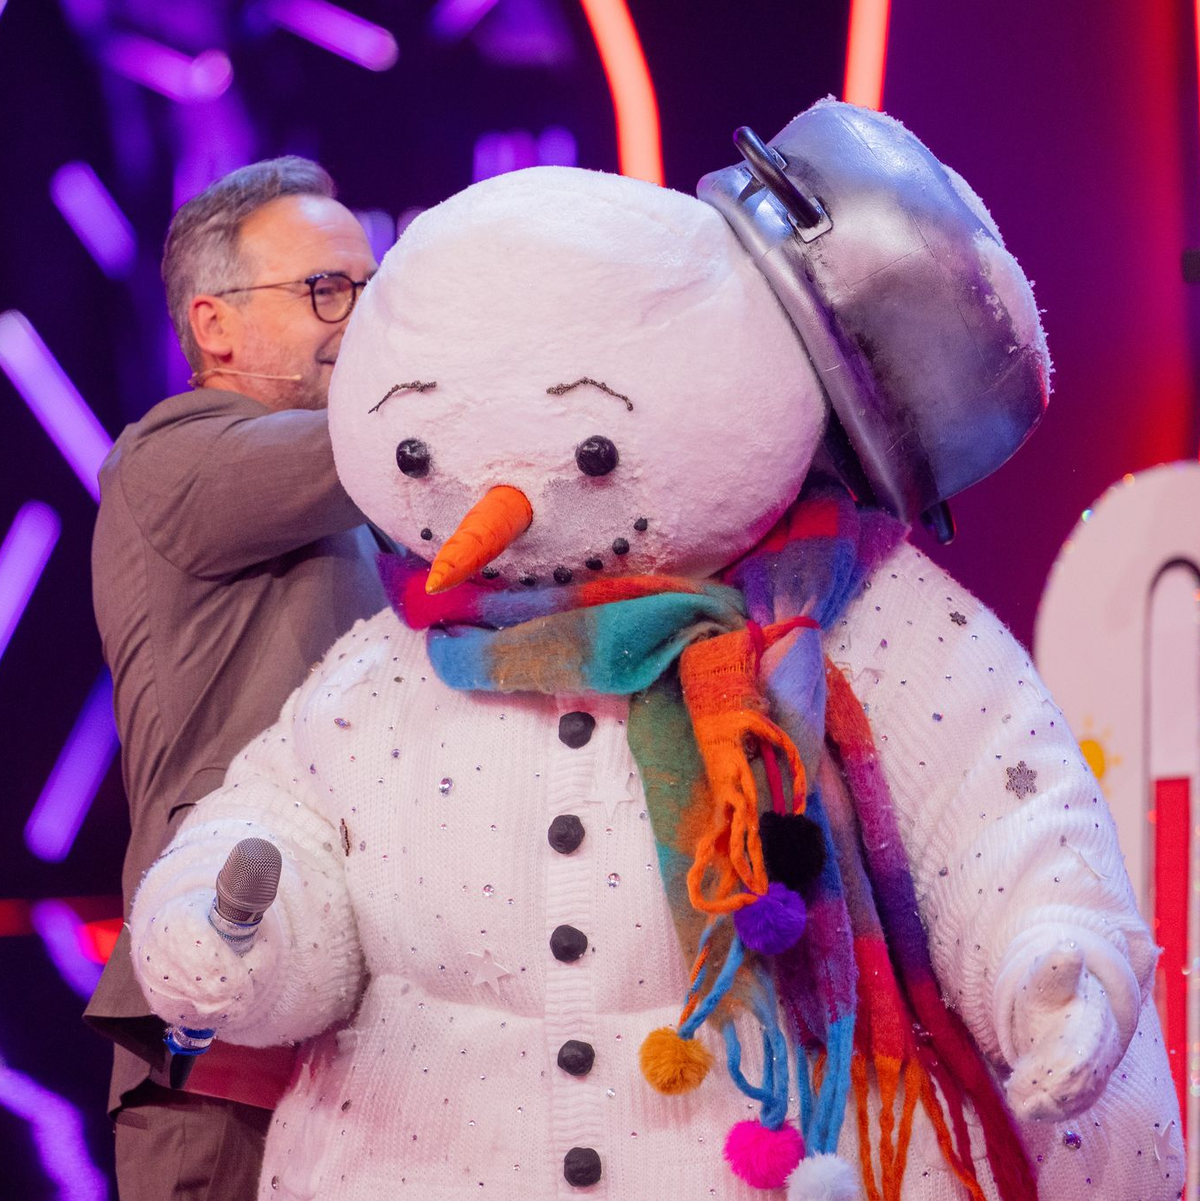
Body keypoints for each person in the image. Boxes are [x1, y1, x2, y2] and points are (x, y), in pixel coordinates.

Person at [85, 156, 388, 1200]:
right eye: (324, 289)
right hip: (221, 1044)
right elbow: (389, 441)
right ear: (214, 326)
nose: (359, 315)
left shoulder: (358, 502)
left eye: (368, 284)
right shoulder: (172, 456)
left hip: (354, 1044)